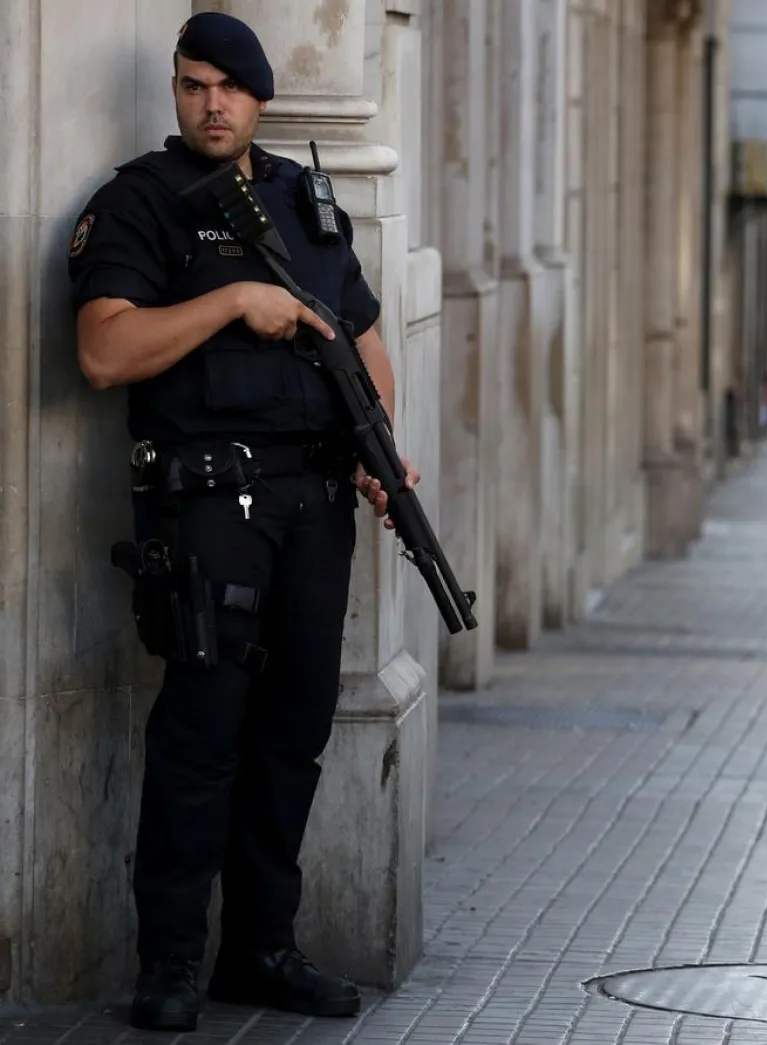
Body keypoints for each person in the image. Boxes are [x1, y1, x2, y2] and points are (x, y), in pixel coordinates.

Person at [67, 12, 418, 1032]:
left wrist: (384, 455)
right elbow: (103, 352)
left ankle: (262, 949)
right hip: (208, 504)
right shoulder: (140, 204)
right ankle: (170, 961)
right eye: (191, 84)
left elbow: (362, 341)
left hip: (315, 506)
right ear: (175, 93)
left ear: (261, 96)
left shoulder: (307, 201)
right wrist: (229, 304)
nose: (209, 103)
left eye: (227, 85)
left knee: (292, 734)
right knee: (201, 730)